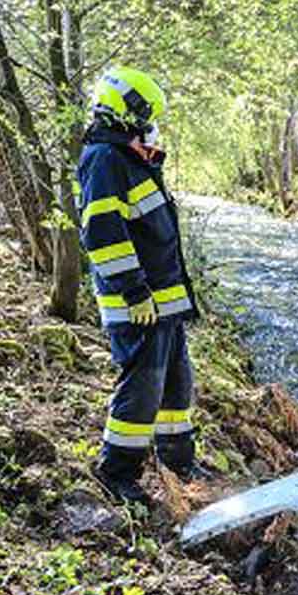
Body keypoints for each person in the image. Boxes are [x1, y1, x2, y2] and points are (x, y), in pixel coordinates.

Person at [77, 66, 203, 505]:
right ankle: (116, 472)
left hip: (161, 300)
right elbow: (102, 233)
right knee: (142, 387)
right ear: (124, 111)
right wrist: (133, 291)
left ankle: (178, 461)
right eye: (144, 114)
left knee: (175, 384)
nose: (149, 124)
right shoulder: (105, 161)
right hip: (138, 302)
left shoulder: (129, 160)